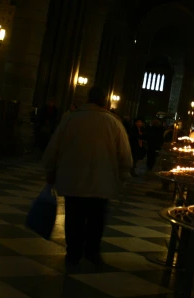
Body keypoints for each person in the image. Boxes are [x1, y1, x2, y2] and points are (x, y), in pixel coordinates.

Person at [42, 86, 132, 265]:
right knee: (96, 218)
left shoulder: (71, 119)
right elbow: (125, 154)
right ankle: (92, 251)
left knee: (74, 216)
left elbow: (53, 148)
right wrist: (123, 173)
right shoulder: (113, 123)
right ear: (104, 101)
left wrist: (50, 170)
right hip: (102, 181)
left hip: (73, 179)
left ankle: (73, 251)